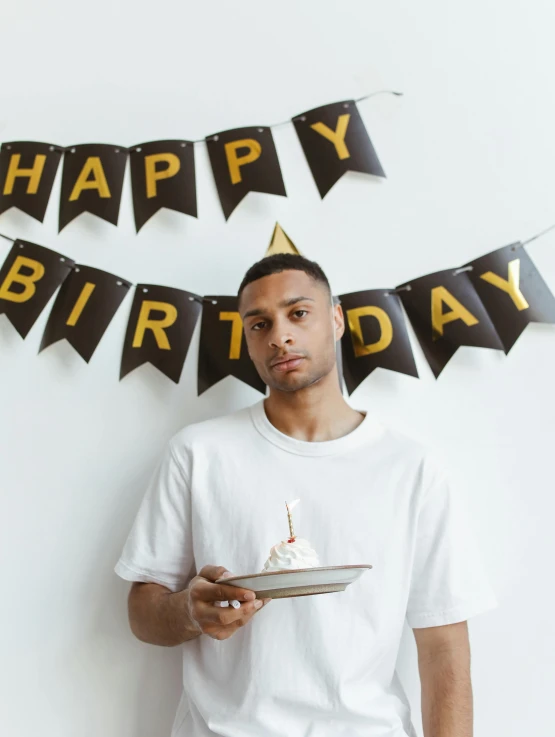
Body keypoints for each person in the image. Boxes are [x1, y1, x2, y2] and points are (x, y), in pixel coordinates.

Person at [114, 254, 498, 737]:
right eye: (259, 324)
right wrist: (190, 611)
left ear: (335, 319)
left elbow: (443, 645)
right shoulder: (198, 453)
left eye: (298, 313)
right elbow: (142, 613)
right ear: (248, 340)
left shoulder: (413, 469)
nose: (279, 336)